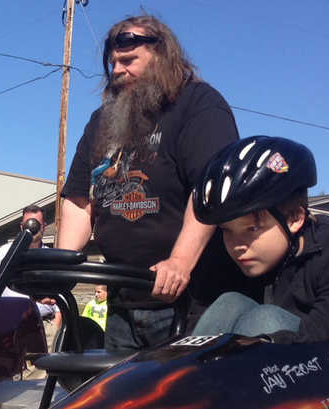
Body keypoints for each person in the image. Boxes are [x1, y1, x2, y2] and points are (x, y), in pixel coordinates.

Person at [56, 15, 245, 350]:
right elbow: (78, 200)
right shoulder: (101, 122)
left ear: (162, 56)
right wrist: (59, 266)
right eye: (113, 63)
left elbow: (211, 188)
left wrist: (179, 263)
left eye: (128, 61)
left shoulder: (198, 105)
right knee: (121, 400)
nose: (116, 71)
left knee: (178, 400)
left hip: (188, 303)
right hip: (122, 301)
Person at [190, 136, 329, 343]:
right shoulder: (258, 254)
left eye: (251, 228)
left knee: (265, 319)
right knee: (230, 303)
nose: (238, 245)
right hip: (291, 363)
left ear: (294, 218)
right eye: (227, 230)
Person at [0, 205, 62, 339]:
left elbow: (60, 296)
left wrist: (54, 326)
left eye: (35, 224)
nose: (31, 228)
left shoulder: (51, 257)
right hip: (9, 326)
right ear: (21, 227)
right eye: (28, 224)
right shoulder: (5, 252)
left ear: (43, 227)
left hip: (43, 326)